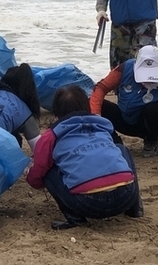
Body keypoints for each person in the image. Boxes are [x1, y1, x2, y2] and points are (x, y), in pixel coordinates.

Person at [26, 85, 143, 230]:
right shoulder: (102, 125)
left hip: (88, 203)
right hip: (126, 195)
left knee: (47, 171)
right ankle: (135, 208)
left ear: (56, 110)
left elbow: (39, 169)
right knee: (121, 149)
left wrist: (33, 179)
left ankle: (75, 218)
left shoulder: (52, 135)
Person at [89, 45, 158, 158]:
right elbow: (101, 88)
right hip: (124, 118)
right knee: (93, 103)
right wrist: (96, 115)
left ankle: (151, 140)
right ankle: (114, 141)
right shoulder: (124, 69)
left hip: (150, 124)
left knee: (154, 109)